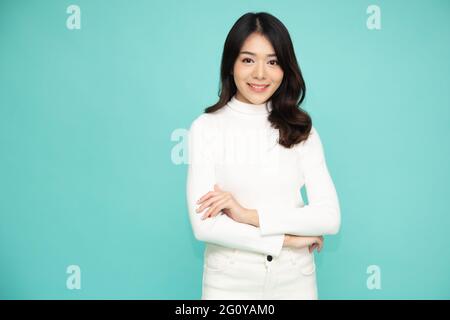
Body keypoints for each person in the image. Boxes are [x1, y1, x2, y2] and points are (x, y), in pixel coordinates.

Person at [186, 12, 341, 300]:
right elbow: (204, 226)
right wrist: (286, 240)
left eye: (272, 61)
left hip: (296, 280)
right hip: (229, 285)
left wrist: (248, 215)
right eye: (248, 60)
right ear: (230, 64)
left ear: (285, 68)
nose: (260, 74)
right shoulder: (206, 128)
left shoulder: (301, 128)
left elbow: (329, 217)